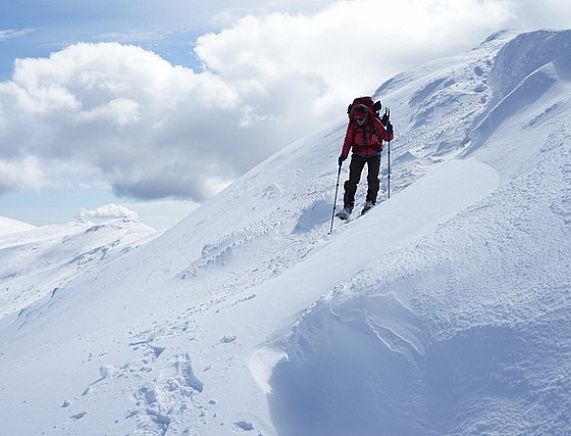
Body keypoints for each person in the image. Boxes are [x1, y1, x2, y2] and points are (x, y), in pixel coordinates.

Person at [336, 98, 393, 219]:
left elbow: (386, 137)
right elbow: (348, 140)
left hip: (374, 153)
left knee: (372, 179)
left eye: (361, 119)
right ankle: (348, 207)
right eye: (358, 119)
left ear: (366, 115)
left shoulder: (374, 122)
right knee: (352, 180)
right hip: (358, 153)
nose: (360, 121)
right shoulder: (353, 124)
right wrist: (343, 155)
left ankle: (370, 202)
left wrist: (389, 131)